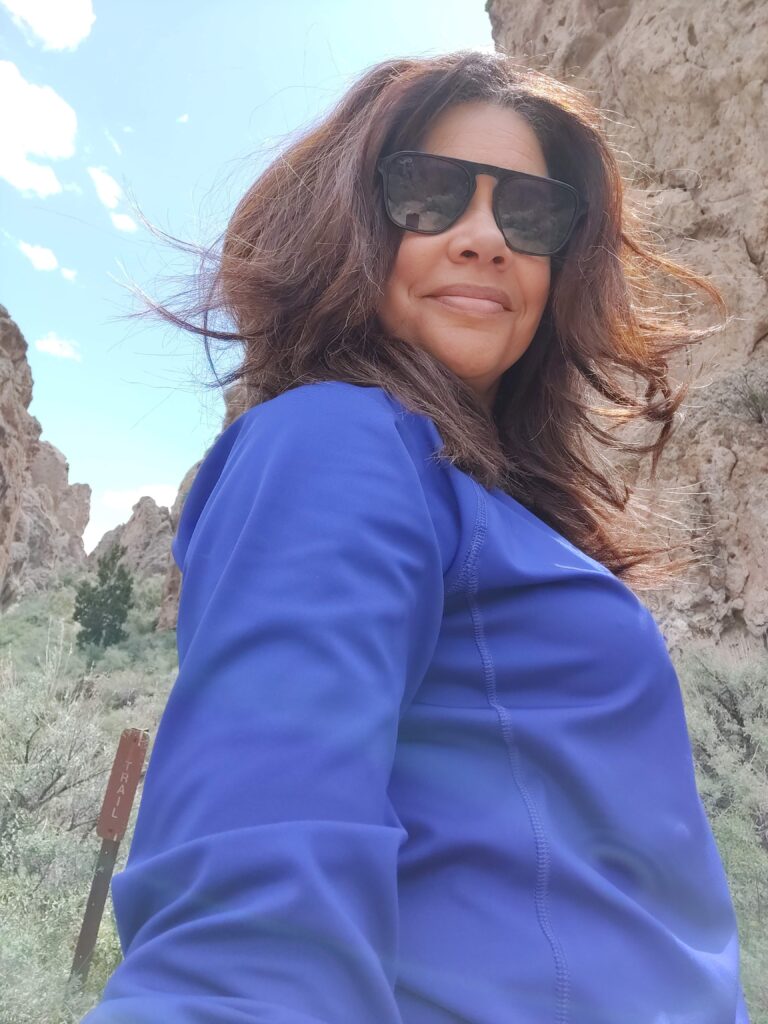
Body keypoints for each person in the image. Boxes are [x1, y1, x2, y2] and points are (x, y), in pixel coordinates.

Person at [81, 50, 751, 1023]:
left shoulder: (480, 500)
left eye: (529, 213)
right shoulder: (340, 439)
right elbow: (250, 943)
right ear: (350, 221)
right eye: (429, 195)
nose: (484, 238)